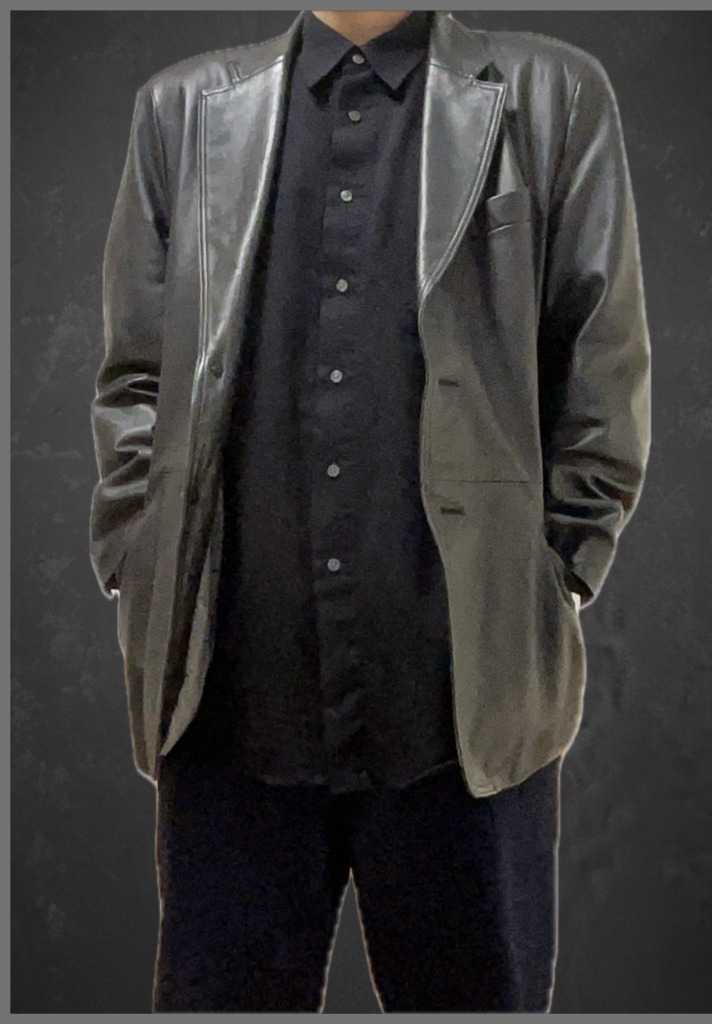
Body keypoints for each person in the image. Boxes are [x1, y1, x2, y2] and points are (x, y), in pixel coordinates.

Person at [89, 9, 651, 1013]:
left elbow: (601, 364)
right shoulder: (183, 110)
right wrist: (140, 562)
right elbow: (136, 378)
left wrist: (555, 575)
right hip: (228, 716)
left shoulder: (552, 95)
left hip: (465, 721)